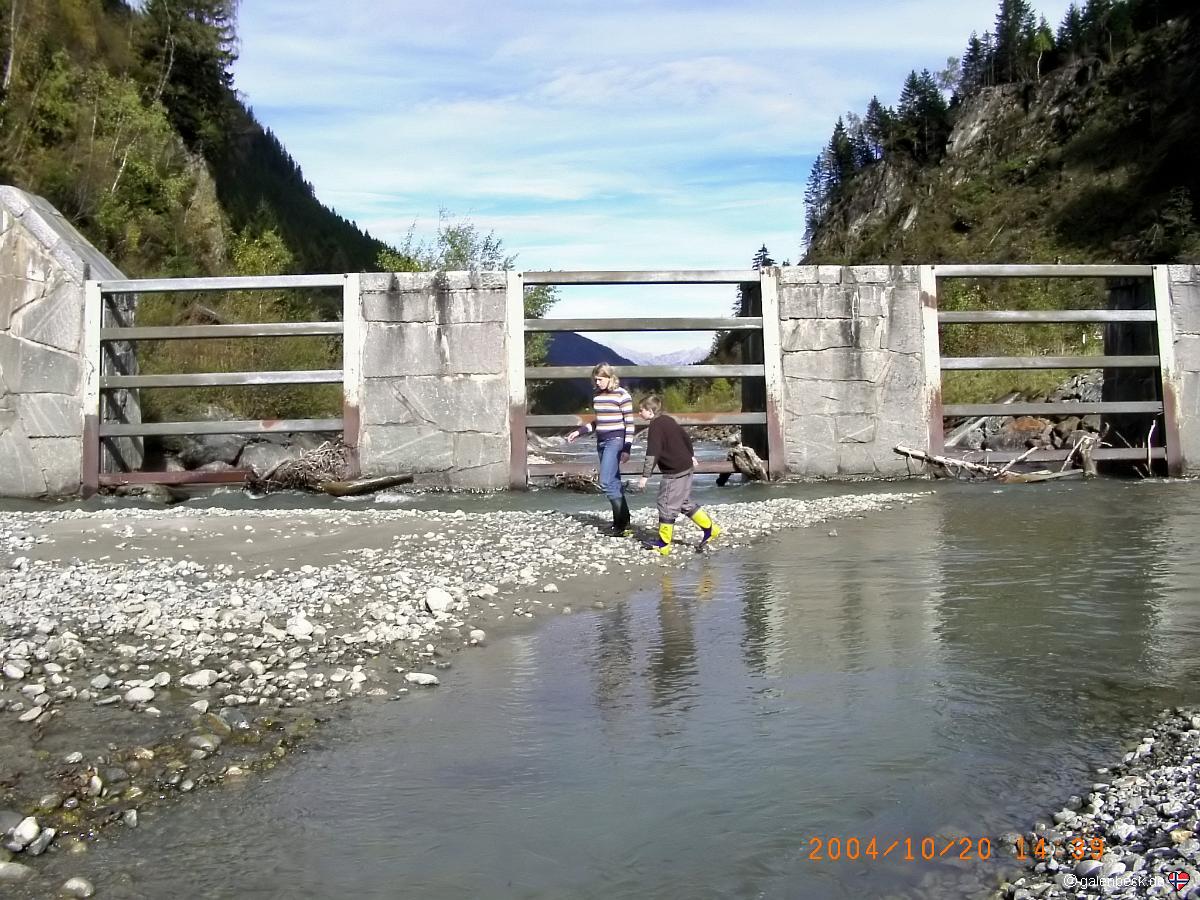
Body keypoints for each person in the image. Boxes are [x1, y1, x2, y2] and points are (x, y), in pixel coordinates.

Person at [635, 395, 721, 555]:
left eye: (641, 410)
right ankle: (711, 529)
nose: (639, 413)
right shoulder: (669, 420)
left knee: (665, 504)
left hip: (674, 471)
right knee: (682, 502)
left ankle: (663, 544)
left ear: (650, 411)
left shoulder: (655, 426)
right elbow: (685, 437)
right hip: (686, 466)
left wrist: (645, 477)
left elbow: (653, 452)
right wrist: (691, 455)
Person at [566, 363, 635, 535]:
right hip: (601, 441)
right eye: (595, 380)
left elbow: (629, 424)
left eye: (600, 379)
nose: (597, 383)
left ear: (610, 378)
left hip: (616, 441)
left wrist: (627, 448)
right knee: (614, 482)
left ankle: (620, 523)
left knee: (605, 481)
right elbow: (599, 421)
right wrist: (579, 431)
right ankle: (623, 521)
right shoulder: (597, 396)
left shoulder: (622, 395)